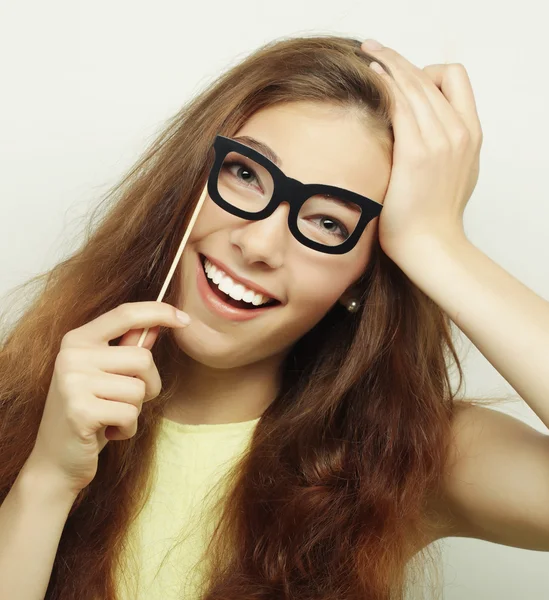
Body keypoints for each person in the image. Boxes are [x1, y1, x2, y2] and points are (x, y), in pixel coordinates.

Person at [0, 34, 548, 600]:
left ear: (362, 278)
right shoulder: (19, 396)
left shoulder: (405, 457)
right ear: (187, 178)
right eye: (246, 174)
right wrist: (45, 481)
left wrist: (437, 244)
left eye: (329, 223)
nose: (260, 243)